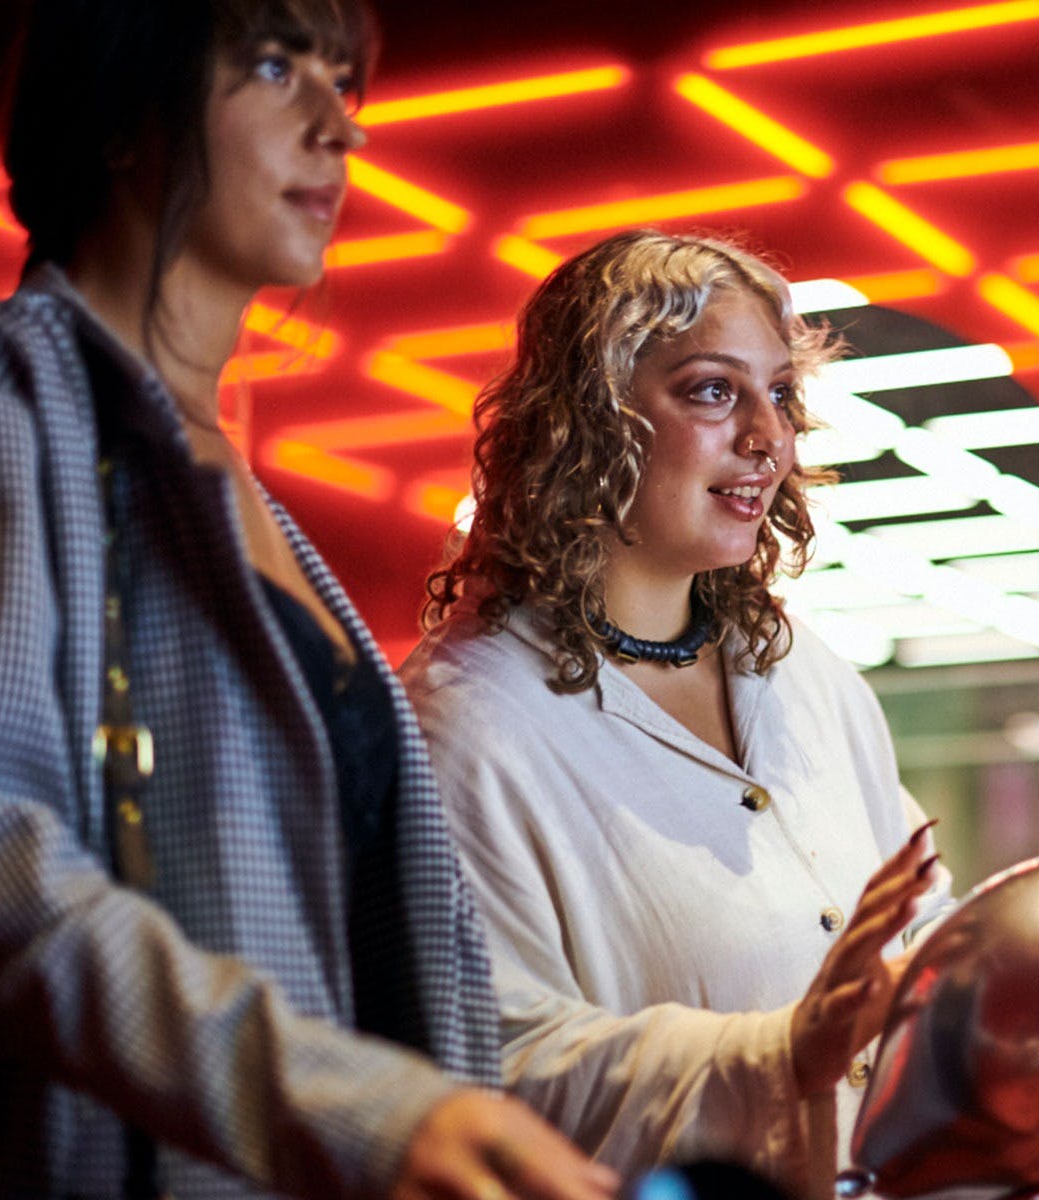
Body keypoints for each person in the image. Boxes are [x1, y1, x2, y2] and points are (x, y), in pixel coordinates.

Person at [0, 2, 619, 1198]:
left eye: (343, 80)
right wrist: (362, 1112)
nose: (340, 127)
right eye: (274, 67)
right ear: (122, 115)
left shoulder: (239, 492)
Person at [401, 230, 952, 1199]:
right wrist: (779, 1052)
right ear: (587, 419)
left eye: (779, 393)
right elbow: (490, 1072)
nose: (767, 438)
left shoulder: (802, 674)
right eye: (711, 390)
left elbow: (928, 928)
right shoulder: (469, 726)